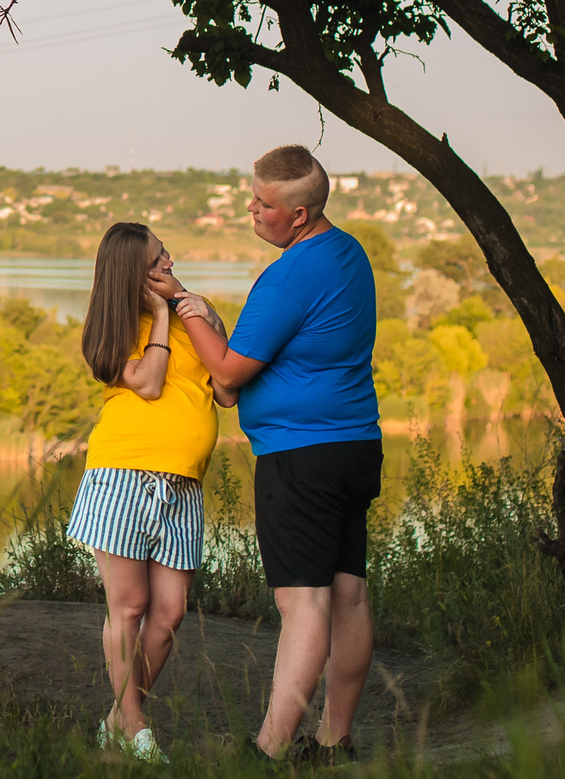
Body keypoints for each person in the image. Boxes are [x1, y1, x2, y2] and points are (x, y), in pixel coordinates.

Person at [191, 145, 383, 763]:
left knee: (303, 601)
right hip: (356, 446)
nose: (252, 210)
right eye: (252, 196)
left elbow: (224, 379)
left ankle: (270, 751)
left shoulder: (287, 276)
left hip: (301, 458)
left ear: (298, 214)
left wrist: (191, 313)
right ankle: (334, 738)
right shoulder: (349, 253)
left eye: (264, 204)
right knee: (349, 592)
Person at [65, 221, 231, 760]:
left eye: (168, 255)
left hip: (183, 481)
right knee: (130, 606)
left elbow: (226, 390)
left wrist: (196, 310)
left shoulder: (193, 314)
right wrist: (161, 312)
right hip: (123, 474)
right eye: (159, 261)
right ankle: (136, 728)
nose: (171, 265)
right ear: (133, 274)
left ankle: (118, 718)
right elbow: (150, 382)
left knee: (171, 612)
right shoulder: (108, 331)